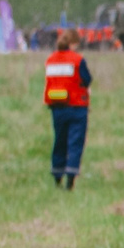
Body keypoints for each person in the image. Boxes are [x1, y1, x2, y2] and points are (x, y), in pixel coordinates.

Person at [43, 32, 95, 189]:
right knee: (75, 142)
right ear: (73, 43)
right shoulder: (77, 59)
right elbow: (87, 79)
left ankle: (57, 175)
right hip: (77, 106)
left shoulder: (50, 59)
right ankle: (70, 179)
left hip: (57, 106)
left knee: (60, 140)